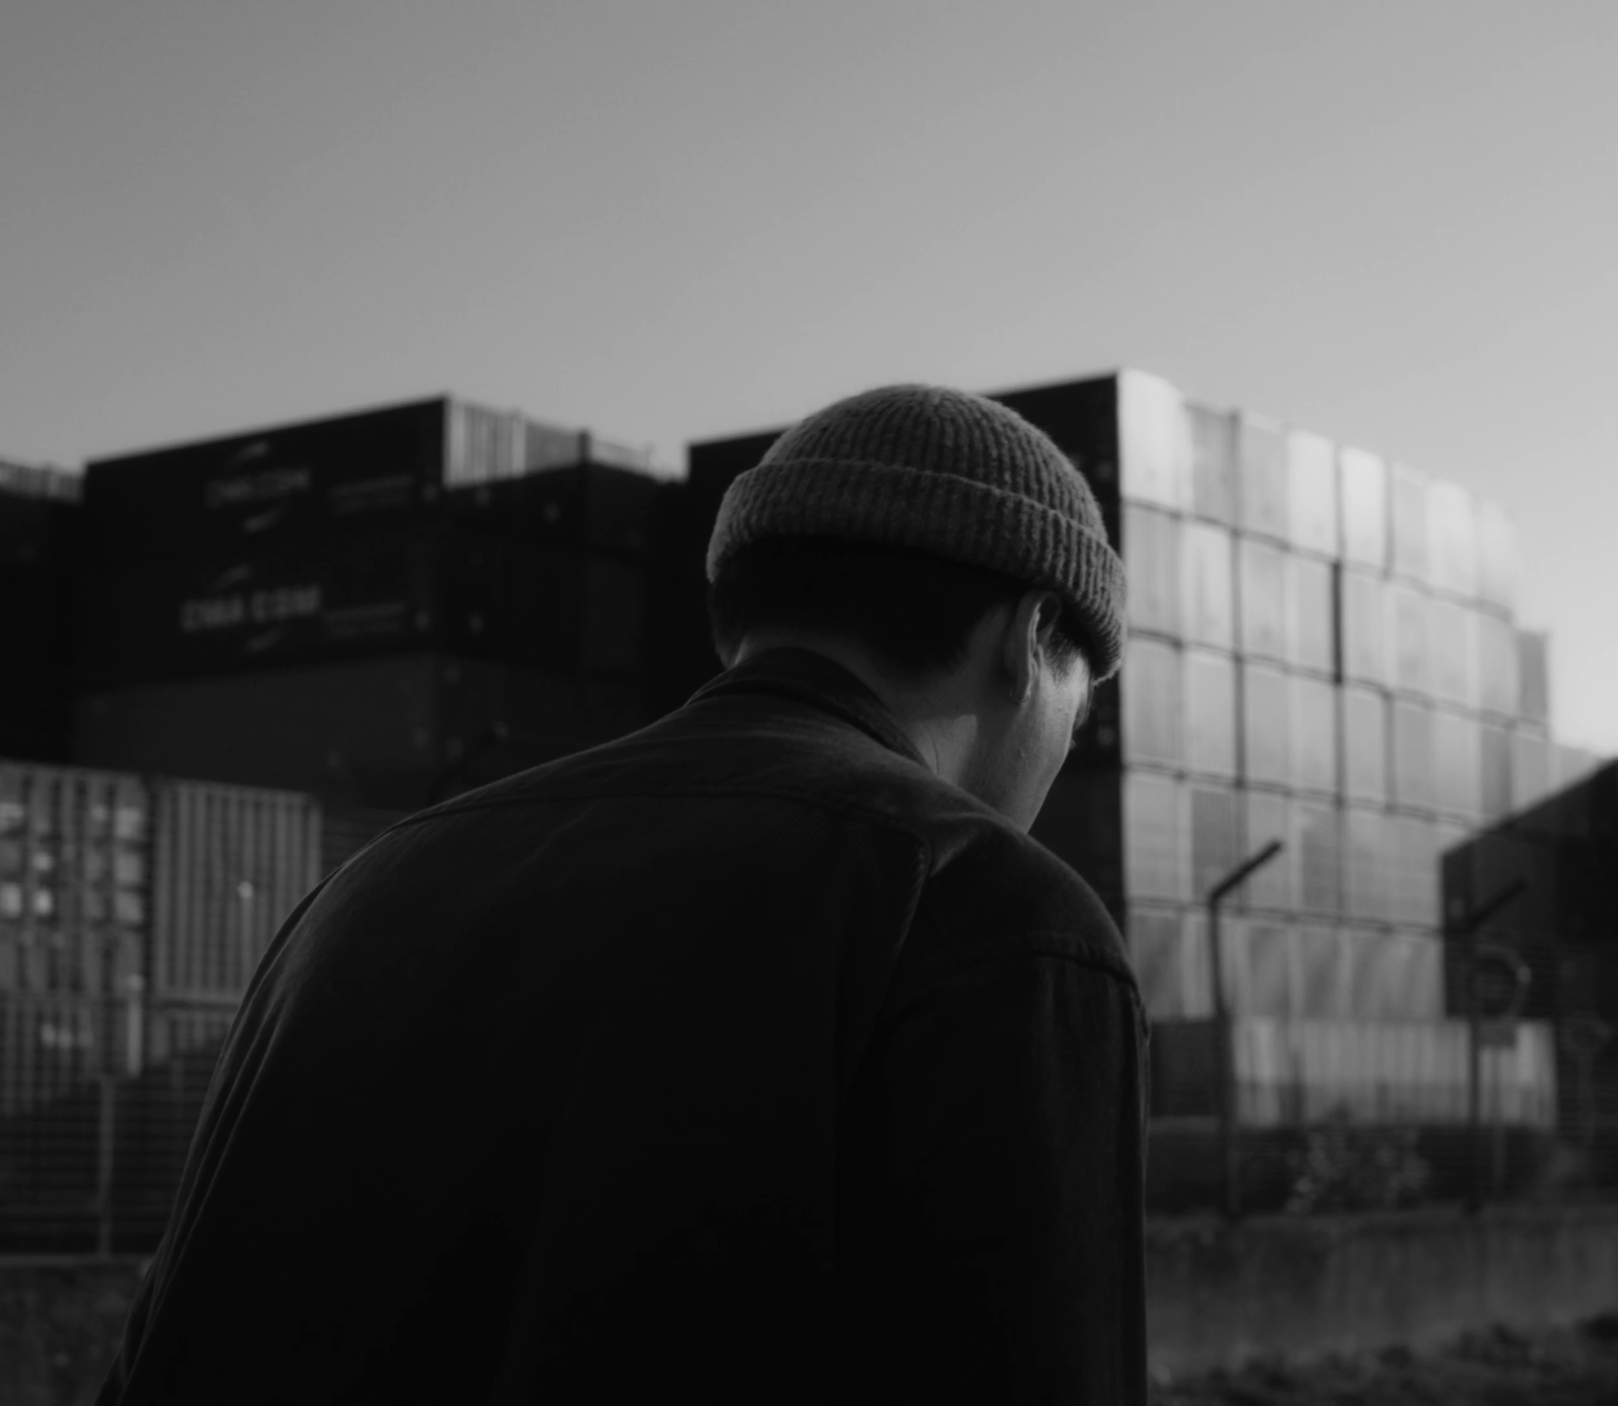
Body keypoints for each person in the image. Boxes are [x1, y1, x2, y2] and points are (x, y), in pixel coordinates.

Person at [97, 383, 1151, 1403]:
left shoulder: (362, 891)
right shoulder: (989, 915)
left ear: (739, 618)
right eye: (1084, 693)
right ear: (1028, 637)